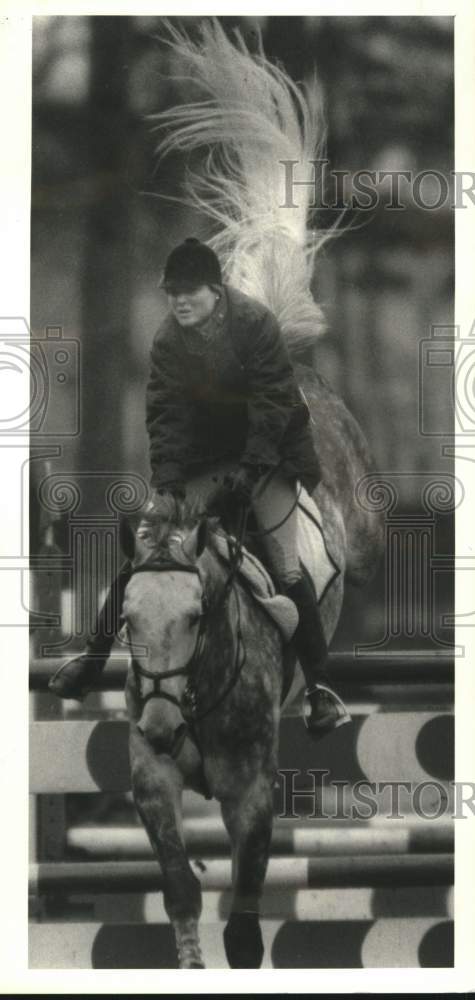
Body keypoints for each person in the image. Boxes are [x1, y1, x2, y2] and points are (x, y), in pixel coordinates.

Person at [49, 237, 350, 740]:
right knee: (147, 550)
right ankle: (92, 660)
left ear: (216, 291)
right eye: (172, 294)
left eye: (189, 293)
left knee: (287, 565)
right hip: (202, 463)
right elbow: (164, 417)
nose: (179, 302)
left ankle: (320, 690)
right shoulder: (168, 341)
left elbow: (272, 407)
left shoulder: (254, 325)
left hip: (268, 457)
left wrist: (250, 477)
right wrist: (167, 486)